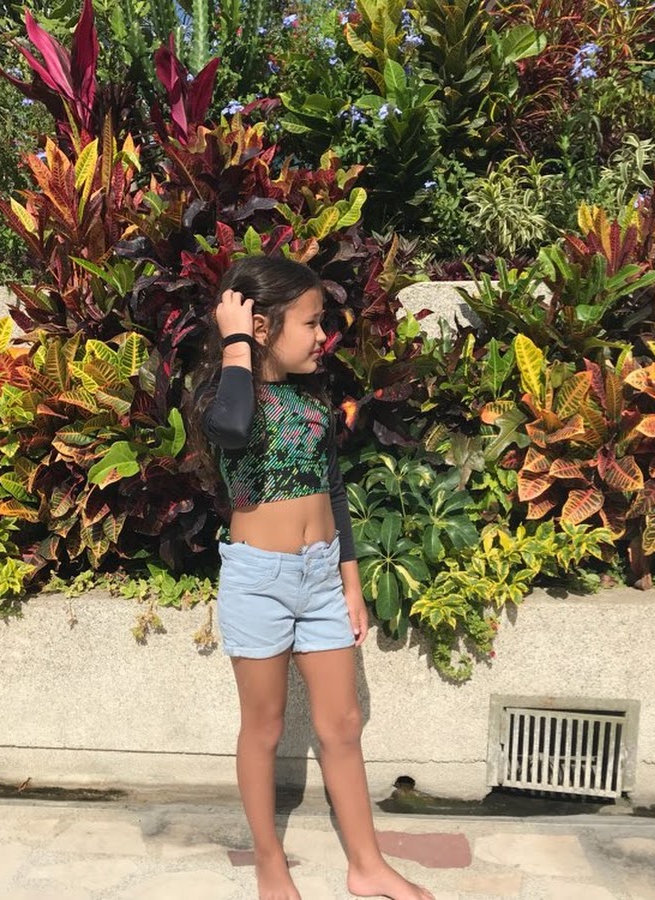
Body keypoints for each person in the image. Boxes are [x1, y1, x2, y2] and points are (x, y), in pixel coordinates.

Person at [191, 255, 434, 900]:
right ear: (261, 327)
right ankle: (270, 866)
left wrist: (351, 585)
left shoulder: (312, 402)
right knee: (264, 728)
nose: (322, 336)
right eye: (310, 323)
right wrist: (237, 343)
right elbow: (234, 428)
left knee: (343, 723)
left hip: (322, 577)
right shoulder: (225, 399)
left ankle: (367, 865)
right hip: (259, 582)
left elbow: (335, 494)